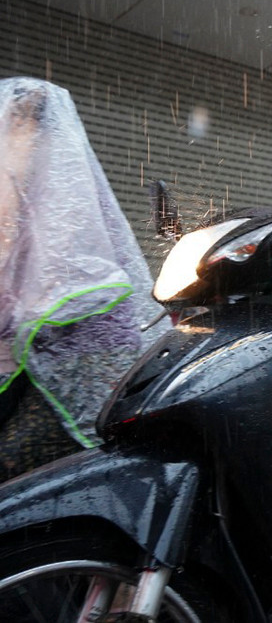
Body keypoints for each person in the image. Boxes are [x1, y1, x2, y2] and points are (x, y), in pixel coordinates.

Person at [0, 77, 166, 483]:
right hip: (51, 351)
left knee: (20, 468)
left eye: (16, 123)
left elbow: (27, 254)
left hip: (82, 360)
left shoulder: (55, 186)